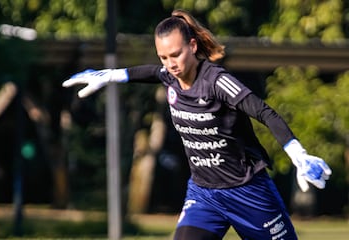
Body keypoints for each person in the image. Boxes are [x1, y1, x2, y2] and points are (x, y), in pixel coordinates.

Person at [63, 9, 332, 240]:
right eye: (164, 57)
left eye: (176, 55)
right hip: (204, 195)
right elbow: (147, 72)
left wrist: (299, 155)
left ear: (192, 46)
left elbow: (264, 112)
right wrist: (110, 75)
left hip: (248, 191)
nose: (170, 64)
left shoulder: (216, 81)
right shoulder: (169, 76)